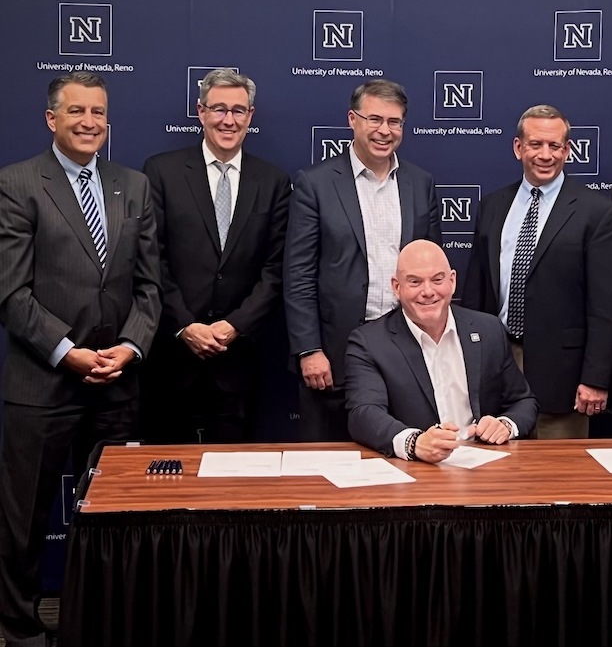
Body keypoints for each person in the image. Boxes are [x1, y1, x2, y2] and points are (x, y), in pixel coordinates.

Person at [0, 71, 161, 647]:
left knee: (118, 521)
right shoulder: (17, 184)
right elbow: (10, 293)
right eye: (76, 112)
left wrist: (132, 345)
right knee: (23, 523)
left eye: (98, 112)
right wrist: (68, 352)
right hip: (43, 383)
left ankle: (106, 625)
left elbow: (150, 287)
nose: (90, 122)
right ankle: (20, 634)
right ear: (52, 119)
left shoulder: (133, 186)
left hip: (117, 382)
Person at [284, 79, 441, 441]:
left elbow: (432, 273)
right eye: (374, 119)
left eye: (395, 122)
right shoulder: (316, 183)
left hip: (409, 348)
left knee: (406, 456)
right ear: (352, 120)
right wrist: (310, 349)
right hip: (336, 352)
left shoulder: (421, 183)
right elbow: (299, 276)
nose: (384, 131)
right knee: (328, 465)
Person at [139, 69, 291, 443]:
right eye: (219, 109)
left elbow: (276, 269)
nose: (229, 120)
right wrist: (185, 325)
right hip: (173, 354)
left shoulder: (272, 181)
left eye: (239, 111)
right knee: (168, 479)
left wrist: (235, 325)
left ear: (250, 117)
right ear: (201, 112)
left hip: (239, 358)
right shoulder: (162, 172)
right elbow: (150, 259)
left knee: (233, 481)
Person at [461, 104, 612, 439]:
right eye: (536, 144)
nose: (545, 155)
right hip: (497, 362)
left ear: (567, 150)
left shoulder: (598, 212)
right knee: (494, 471)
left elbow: (606, 305)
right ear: (518, 147)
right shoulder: (493, 206)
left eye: (555, 146)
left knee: (559, 481)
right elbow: (477, 291)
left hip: (563, 375)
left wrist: (595, 379)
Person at [345, 240, 537, 460]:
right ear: (397, 287)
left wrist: (505, 425)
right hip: (416, 470)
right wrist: (413, 442)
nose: (428, 291)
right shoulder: (369, 342)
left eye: (437, 280)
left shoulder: (489, 330)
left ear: (452, 281)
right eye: (415, 282)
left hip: (485, 464)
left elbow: (523, 401)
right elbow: (364, 414)